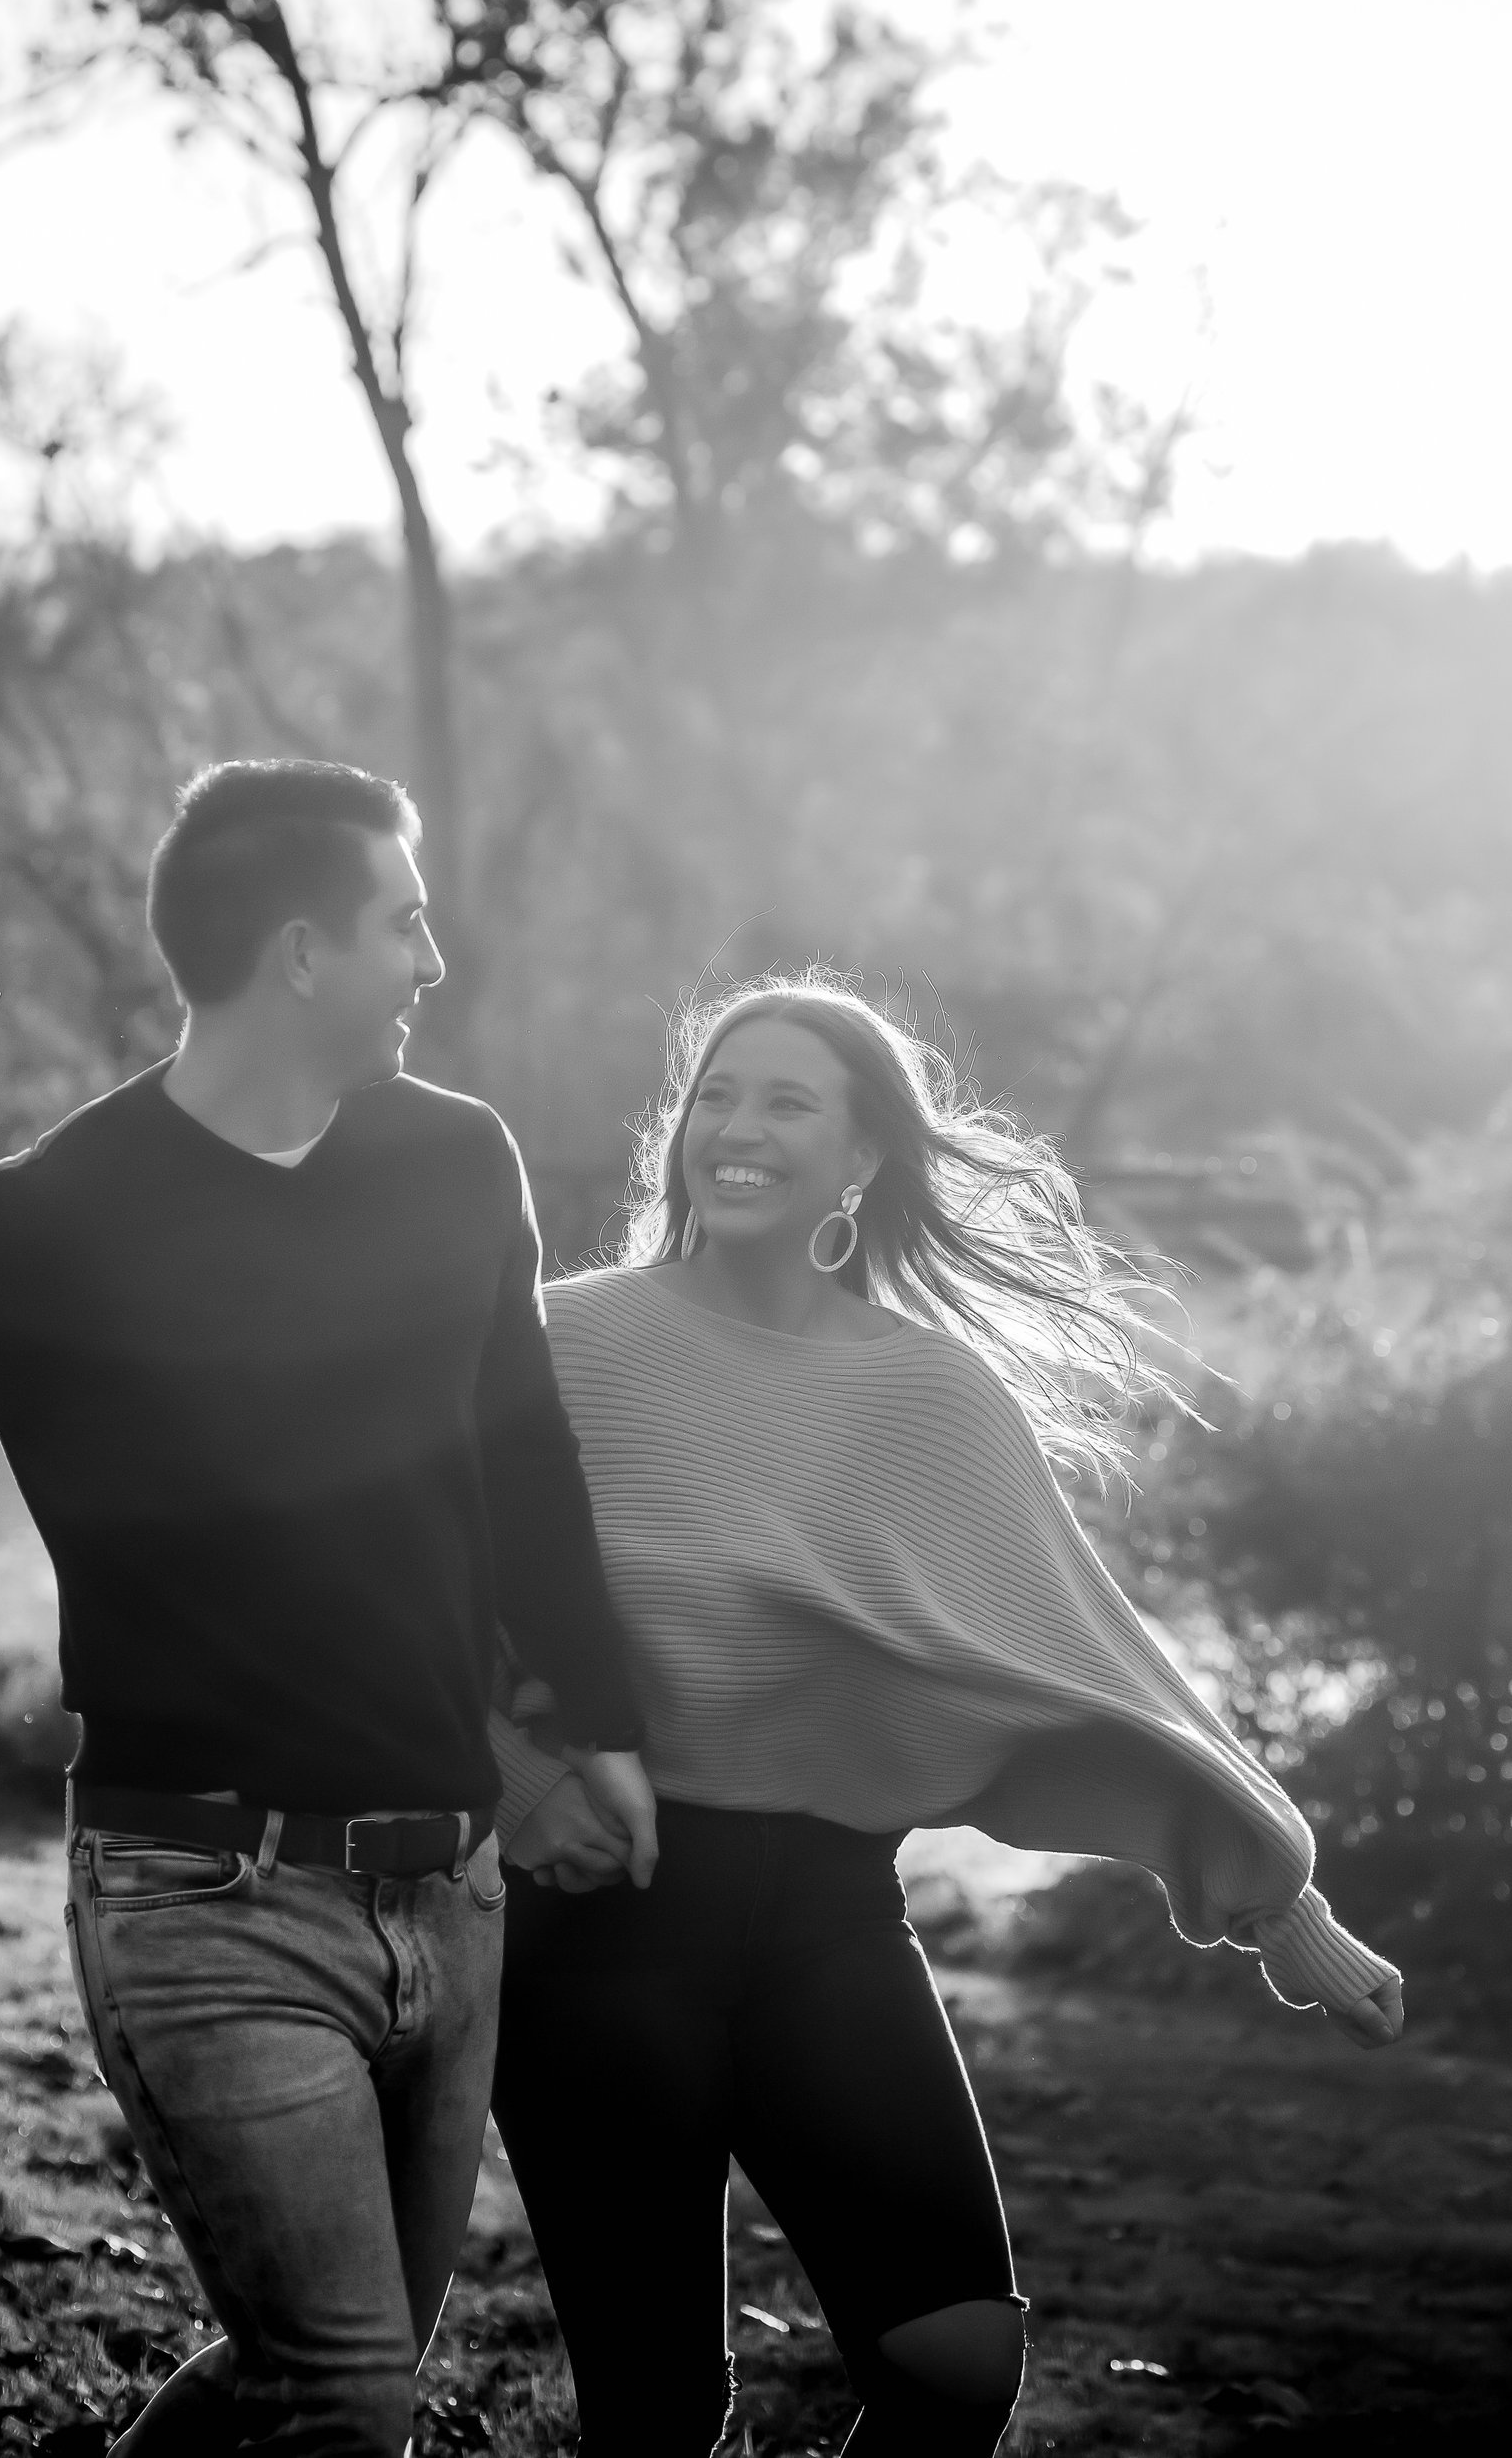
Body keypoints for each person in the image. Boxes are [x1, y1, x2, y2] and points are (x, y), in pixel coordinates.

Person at [0, 759, 657, 2458]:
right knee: (341, 2391)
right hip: (201, 1890)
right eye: (408, 920)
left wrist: (595, 1722)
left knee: (329, 2375)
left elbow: (523, 1458)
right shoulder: (39, 1223)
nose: (433, 961)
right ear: (304, 951)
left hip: (448, 1887)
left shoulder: (460, 1162)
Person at [489, 977, 1403, 2457]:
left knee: (958, 2365)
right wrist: (523, 1782)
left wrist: (1276, 1898)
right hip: (604, 1932)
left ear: (861, 1160)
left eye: (788, 1101)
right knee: (657, 2409)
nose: (738, 1126)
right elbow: (424, 1601)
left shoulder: (929, 1392)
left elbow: (1083, 1658)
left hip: (831, 1928)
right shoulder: (555, 1342)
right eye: (718, 1094)